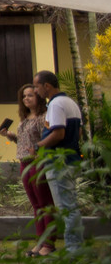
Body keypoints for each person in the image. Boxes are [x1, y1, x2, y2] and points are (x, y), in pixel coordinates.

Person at [0, 82, 55, 256]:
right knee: (36, 205)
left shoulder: (43, 117)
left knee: (45, 204)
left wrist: (39, 154)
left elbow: (48, 140)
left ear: (38, 96)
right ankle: (40, 241)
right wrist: (9, 136)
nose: (26, 99)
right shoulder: (25, 118)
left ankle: (49, 243)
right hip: (24, 162)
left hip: (38, 162)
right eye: (24, 96)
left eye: (30, 95)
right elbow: (24, 142)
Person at [33, 70, 84, 252]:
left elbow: (58, 133)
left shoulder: (55, 105)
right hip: (71, 159)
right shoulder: (71, 103)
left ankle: (74, 249)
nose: (36, 90)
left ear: (46, 86)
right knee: (70, 204)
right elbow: (78, 133)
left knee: (66, 207)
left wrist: (38, 146)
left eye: (37, 86)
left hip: (58, 161)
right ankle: (75, 246)